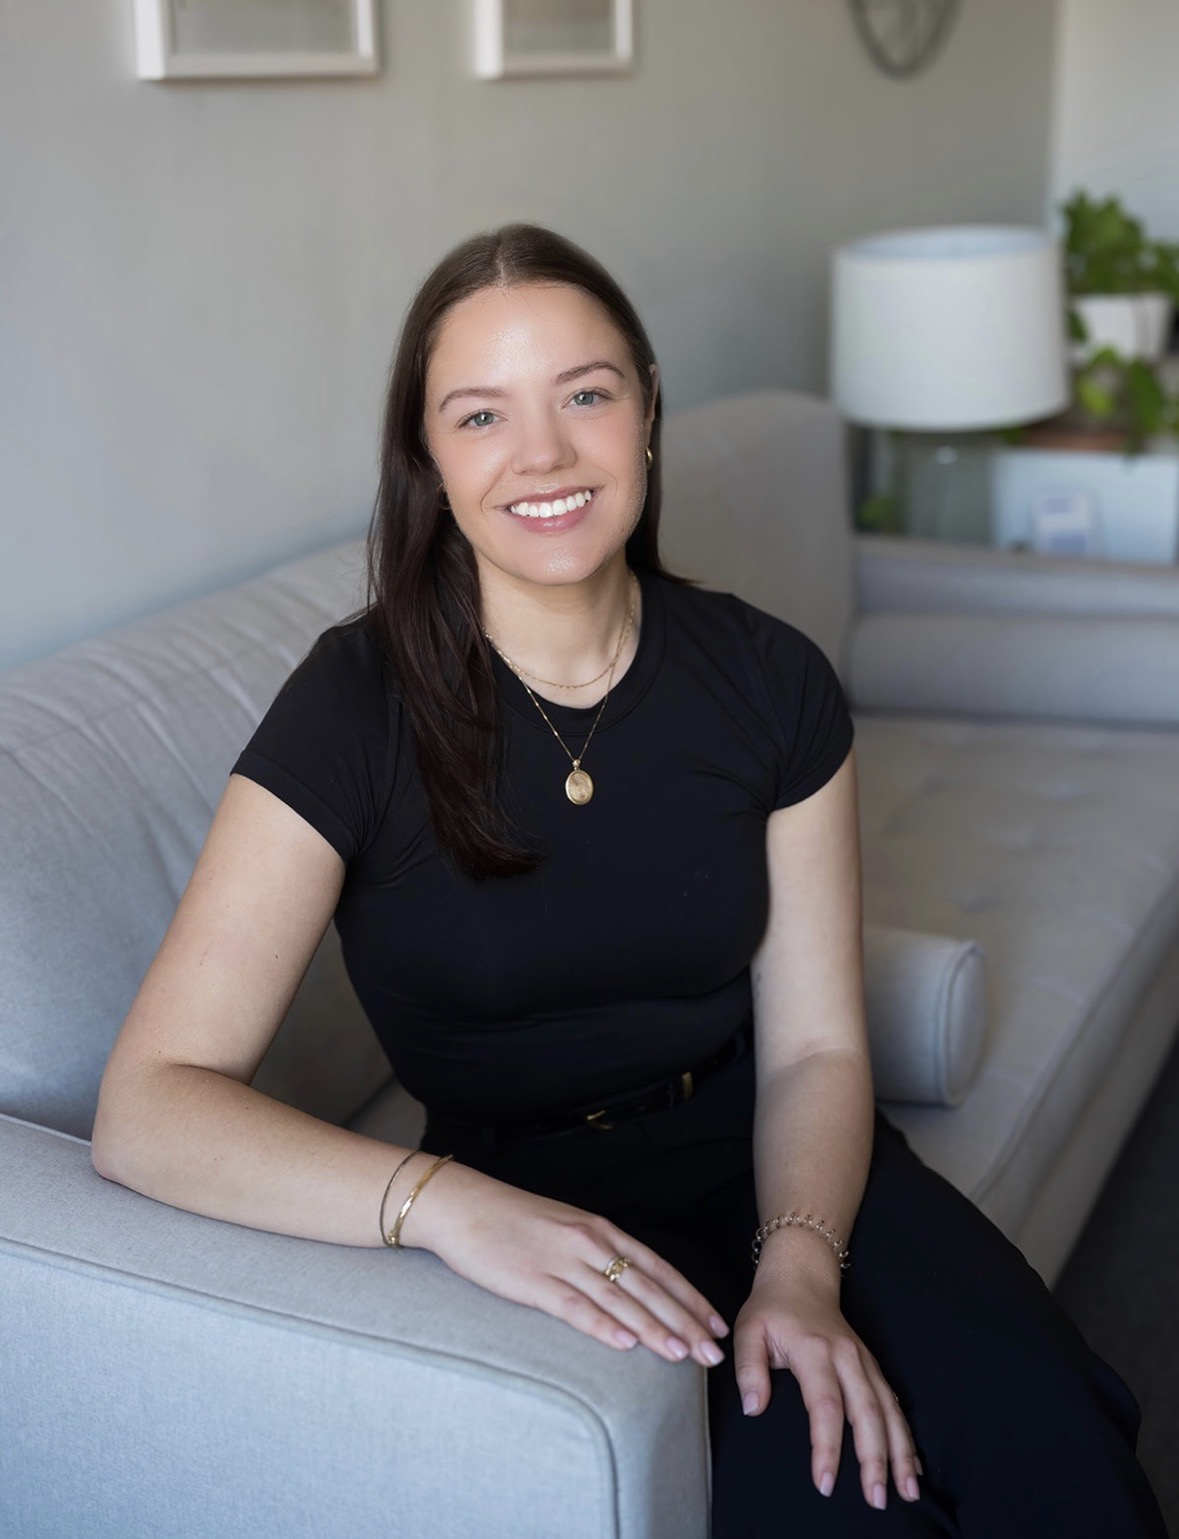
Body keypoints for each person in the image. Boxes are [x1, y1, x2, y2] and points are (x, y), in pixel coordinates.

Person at [92, 224, 1166, 1537]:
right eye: (481, 416)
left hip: (775, 1151)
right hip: (533, 1205)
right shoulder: (354, 706)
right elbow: (148, 1108)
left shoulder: (769, 681)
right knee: (832, 1503)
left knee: (1053, 1449)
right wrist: (443, 1211)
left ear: (648, 412)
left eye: (585, 396)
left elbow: (819, 1047)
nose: (542, 456)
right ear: (428, 460)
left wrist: (801, 1273)